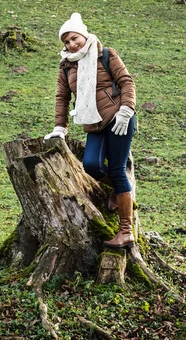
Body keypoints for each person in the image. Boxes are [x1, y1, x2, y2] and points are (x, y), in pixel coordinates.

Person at [44, 12, 136, 249]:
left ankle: (126, 231)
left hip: (118, 118)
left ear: (84, 36)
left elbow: (126, 81)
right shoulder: (66, 67)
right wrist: (59, 128)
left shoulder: (106, 54)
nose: (71, 44)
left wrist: (127, 109)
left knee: (116, 169)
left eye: (74, 38)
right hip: (93, 121)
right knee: (91, 166)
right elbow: (62, 98)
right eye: (66, 42)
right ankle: (120, 191)